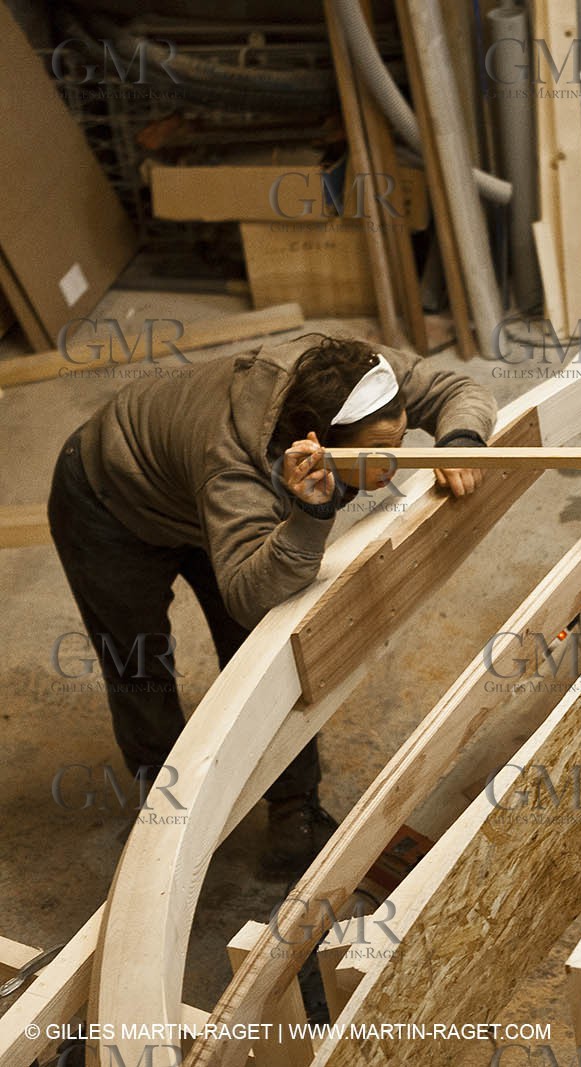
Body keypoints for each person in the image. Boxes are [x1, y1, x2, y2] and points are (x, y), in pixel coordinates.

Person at [47, 333, 497, 879]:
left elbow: (454, 388)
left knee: (269, 657)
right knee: (139, 666)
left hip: (187, 480)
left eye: (399, 439)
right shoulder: (233, 468)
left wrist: (461, 440)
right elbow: (249, 595)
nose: (396, 465)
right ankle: (164, 832)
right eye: (377, 456)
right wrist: (312, 515)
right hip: (109, 500)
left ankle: (293, 812)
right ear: (314, 446)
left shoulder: (361, 375)